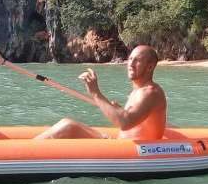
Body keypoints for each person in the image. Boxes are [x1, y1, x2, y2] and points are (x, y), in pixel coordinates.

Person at [36, 45, 167, 140]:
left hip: (134, 153)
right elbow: (133, 120)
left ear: (150, 67)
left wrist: (95, 93)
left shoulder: (151, 92)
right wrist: (120, 110)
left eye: (137, 60)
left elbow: (125, 123)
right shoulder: (138, 90)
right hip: (121, 145)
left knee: (68, 126)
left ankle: (26, 151)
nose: (130, 64)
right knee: (67, 122)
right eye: (130, 58)